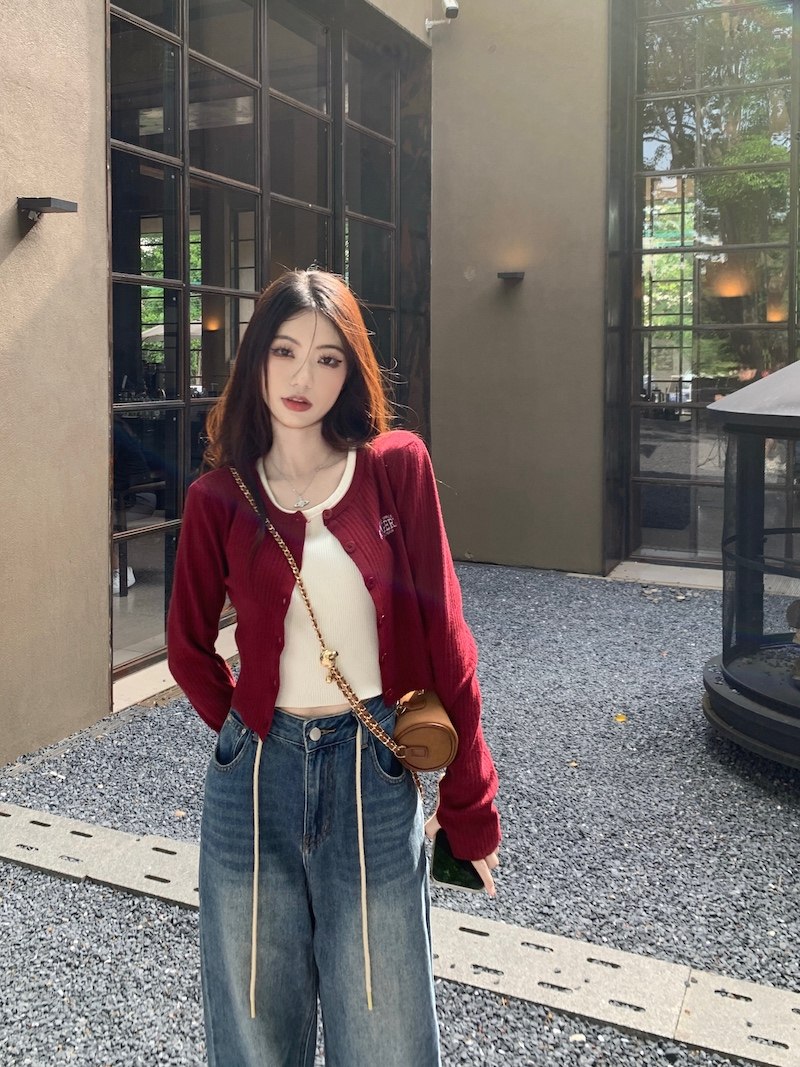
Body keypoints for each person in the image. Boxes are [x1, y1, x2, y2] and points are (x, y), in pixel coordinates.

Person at [167, 269, 501, 1067]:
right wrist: (246, 726)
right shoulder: (218, 497)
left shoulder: (395, 468)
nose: (302, 376)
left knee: (386, 1036)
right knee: (253, 1036)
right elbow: (187, 648)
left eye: (327, 358)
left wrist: (469, 805)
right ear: (257, 358)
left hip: (370, 769)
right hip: (252, 782)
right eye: (285, 351)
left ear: (351, 371)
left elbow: (446, 636)